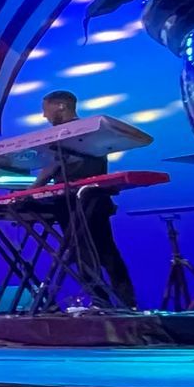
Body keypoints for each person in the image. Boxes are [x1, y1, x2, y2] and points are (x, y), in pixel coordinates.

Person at [36, 89, 136, 308]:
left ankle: (113, 304)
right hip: (77, 199)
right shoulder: (85, 131)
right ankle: (115, 304)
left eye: (46, 110)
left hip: (84, 198)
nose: (45, 116)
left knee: (96, 251)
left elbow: (52, 168)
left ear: (61, 106)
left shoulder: (78, 131)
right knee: (97, 251)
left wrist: (32, 190)